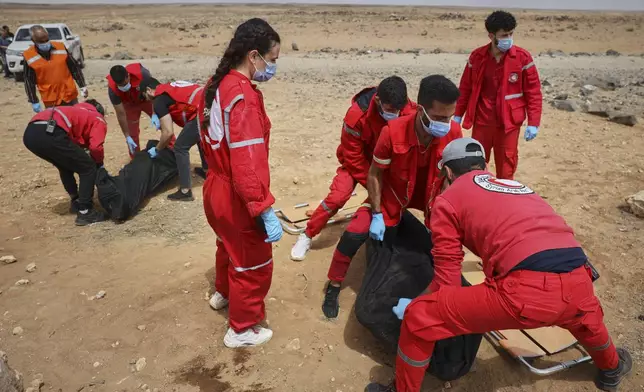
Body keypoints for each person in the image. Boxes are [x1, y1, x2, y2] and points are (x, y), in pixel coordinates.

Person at [365, 138, 632, 392]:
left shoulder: (449, 199)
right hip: (579, 278)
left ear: (447, 171)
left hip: (526, 294)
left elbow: (446, 282)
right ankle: (612, 368)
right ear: (484, 167)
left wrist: (414, 303)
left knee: (419, 317)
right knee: (585, 320)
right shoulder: (517, 187)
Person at [320, 75, 463, 319]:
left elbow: (455, 180)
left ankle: (437, 297)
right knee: (354, 233)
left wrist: (445, 217)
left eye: (449, 117)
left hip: (430, 198)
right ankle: (333, 285)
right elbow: (375, 174)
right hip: (392, 195)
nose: (445, 123)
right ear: (420, 110)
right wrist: (376, 213)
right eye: (439, 117)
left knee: (443, 248)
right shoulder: (393, 132)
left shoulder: (453, 133)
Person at [198, 18, 282, 348]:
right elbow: (247, 163)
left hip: (215, 186)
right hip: (236, 192)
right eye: (272, 60)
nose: (273, 67)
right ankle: (242, 328)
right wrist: (262, 208)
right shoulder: (242, 98)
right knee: (253, 258)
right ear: (253, 56)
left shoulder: (215, 85)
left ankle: (223, 292)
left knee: (227, 245)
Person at [290, 76, 416, 262]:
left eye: (398, 110)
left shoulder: (407, 109)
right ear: (379, 101)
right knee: (337, 197)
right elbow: (352, 156)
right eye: (390, 110)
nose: (395, 114)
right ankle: (307, 234)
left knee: (401, 194)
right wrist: (374, 184)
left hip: (387, 162)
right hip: (358, 163)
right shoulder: (356, 115)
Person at [453, 10, 542, 180]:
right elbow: (465, 88)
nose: (508, 38)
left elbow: (533, 92)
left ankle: (504, 198)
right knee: (476, 163)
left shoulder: (522, 58)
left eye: (510, 34)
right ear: (491, 35)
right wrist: (458, 115)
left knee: (507, 165)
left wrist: (534, 123)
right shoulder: (477, 57)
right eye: (504, 35)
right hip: (482, 121)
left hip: (509, 123)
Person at [23, 100, 108, 226]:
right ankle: (85, 212)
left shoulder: (74, 110)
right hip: (50, 132)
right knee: (88, 168)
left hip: (30, 134)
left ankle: (76, 201)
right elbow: (96, 147)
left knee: (65, 165)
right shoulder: (97, 117)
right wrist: (99, 164)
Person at [139, 77, 208, 201]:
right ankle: (207, 171)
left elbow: (168, 133)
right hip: (209, 105)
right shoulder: (169, 88)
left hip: (201, 112)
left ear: (149, 90)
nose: (148, 102)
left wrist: (157, 149)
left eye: (145, 97)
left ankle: (185, 191)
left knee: (180, 147)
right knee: (196, 135)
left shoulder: (159, 100)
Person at [23, 25, 88, 112]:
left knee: (75, 121)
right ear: (33, 41)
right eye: (41, 41)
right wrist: (34, 101)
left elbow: (74, 68)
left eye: (46, 40)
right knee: (57, 123)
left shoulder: (60, 47)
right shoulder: (29, 56)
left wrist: (82, 85)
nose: (45, 43)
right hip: (51, 100)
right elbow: (28, 81)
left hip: (69, 95)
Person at [106, 64, 160, 158]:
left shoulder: (143, 74)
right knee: (132, 134)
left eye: (124, 84)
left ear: (128, 76)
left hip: (146, 100)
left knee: (163, 123)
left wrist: (155, 113)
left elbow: (155, 92)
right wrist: (127, 136)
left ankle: (173, 150)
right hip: (129, 105)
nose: (123, 87)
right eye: (120, 86)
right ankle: (136, 159)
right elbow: (120, 113)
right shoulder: (112, 89)